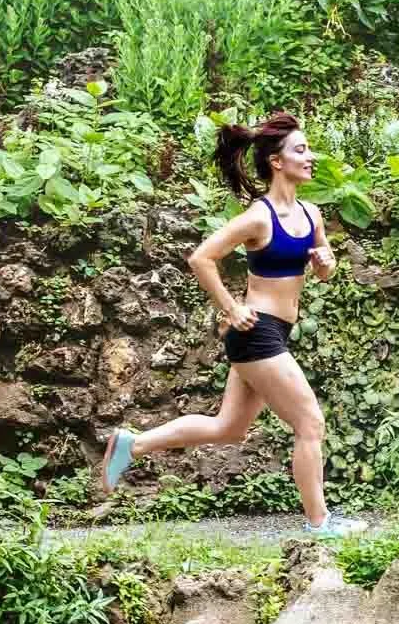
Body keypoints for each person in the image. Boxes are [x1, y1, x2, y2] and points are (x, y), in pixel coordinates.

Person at [99, 113, 364, 537]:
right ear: (276, 162)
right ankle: (321, 523)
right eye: (301, 149)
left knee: (229, 428)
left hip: (276, 332)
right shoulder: (259, 217)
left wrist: (325, 263)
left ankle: (134, 443)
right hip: (255, 332)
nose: (310, 156)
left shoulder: (311, 214)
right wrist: (230, 307)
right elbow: (201, 258)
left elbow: (324, 269)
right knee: (310, 422)